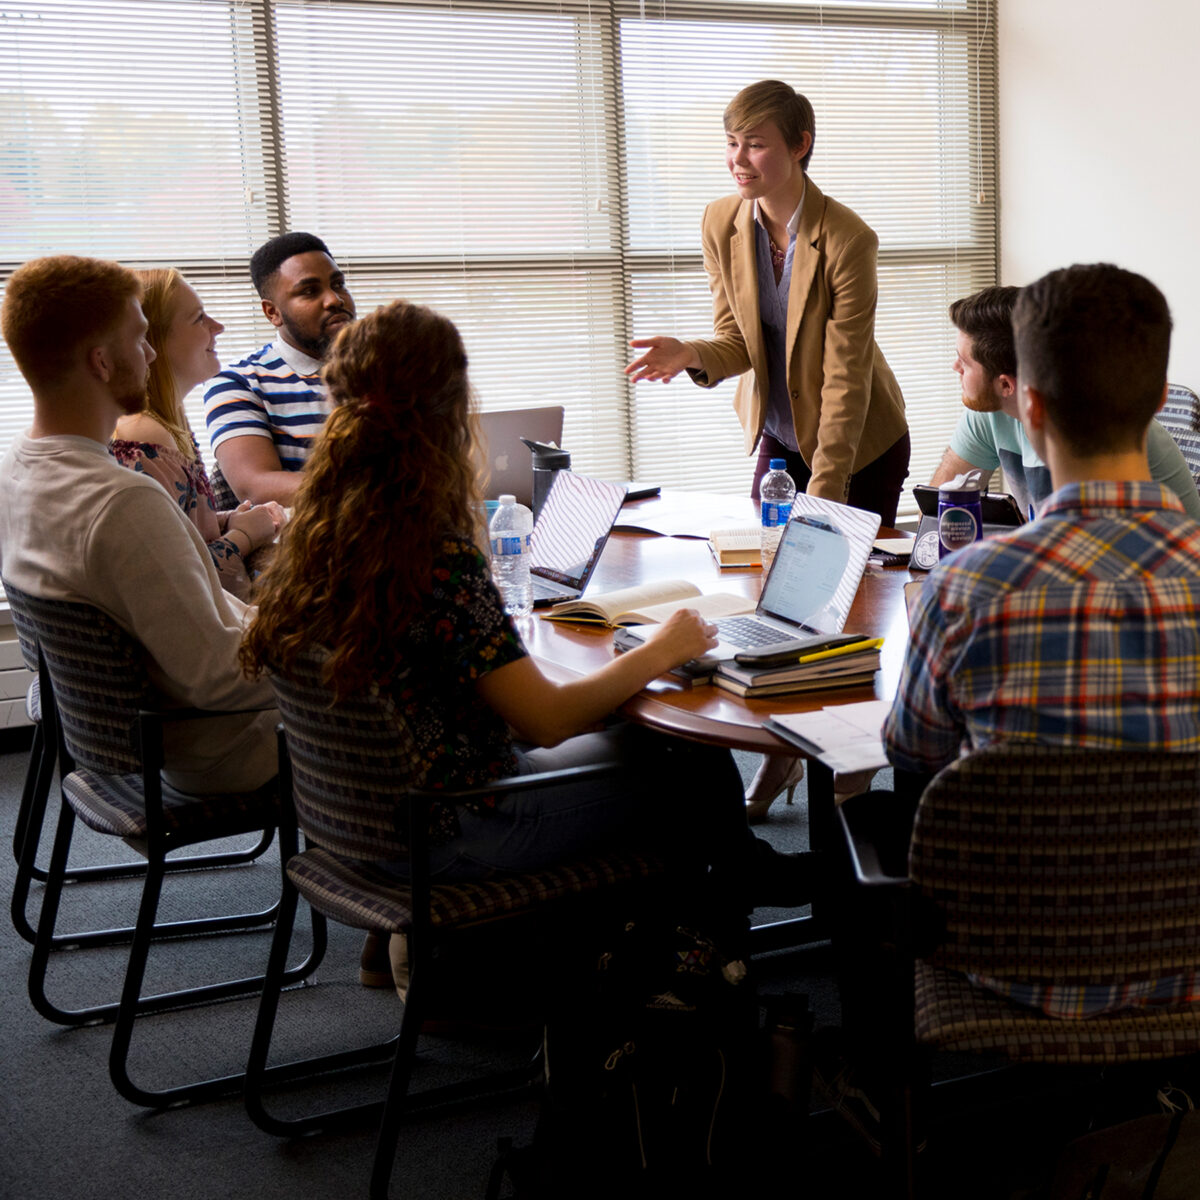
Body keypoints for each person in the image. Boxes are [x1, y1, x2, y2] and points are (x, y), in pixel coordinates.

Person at [240, 299, 814, 986]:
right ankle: (702, 962)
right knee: (687, 764)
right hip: (457, 832)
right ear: (451, 407)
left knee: (659, 746)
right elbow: (543, 721)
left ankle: (713, 922)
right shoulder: (432, 554)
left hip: (358, 824)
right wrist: (659, 650)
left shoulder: (318, 536)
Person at [885, 261, 1200, 1015]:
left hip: (1000, 957)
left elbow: (914, 757)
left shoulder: (966, 590)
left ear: (1024, 404)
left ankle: (873, 1082)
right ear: (1159, 401)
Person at [625, 80, 910, 822]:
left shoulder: (847, 238)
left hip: (860, 443)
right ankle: (786, 755)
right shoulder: (722, 221)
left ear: (798, 145)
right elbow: (741, 341)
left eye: (754, 143)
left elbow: (845, 380)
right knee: (778, 595)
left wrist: (826, 498)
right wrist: (690, 350)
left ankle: (841, 764)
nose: (737, 159)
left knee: (843, 609)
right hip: (779, 436)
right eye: (731, 142)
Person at [0, 255, 276, 794]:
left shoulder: (16, 468)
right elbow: (219, 677)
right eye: (141, 337)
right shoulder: (123, 501)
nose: (150, 354)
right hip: (221, 748)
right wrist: (339, 655)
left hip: (146, 737)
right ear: (101, 363)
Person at [932, 284, 1200, 520]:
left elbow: (1092, 557)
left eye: (964, 362)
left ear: (1005, 385)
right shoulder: (990, 409)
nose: (954, 366)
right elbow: (937, 510)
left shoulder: (1094, 431)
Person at [111, 268, 285, 601]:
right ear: (154, 340)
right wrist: (244, 537)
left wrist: (225, 521)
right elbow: (179, 584)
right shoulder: (144, 438)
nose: (217, 327)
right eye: (198, 319)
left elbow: (182, 531)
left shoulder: (167, 425)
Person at [203, 232, 355, 506]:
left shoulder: (385, 370)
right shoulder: (239, 382)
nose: (334, 299)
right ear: (272, 312)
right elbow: (255, 487)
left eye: (338, 284)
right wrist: (377, 492)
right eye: (309, 291)